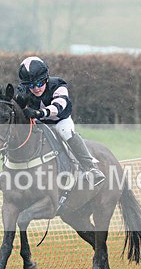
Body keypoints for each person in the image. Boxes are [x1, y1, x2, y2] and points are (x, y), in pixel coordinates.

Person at [16, 56, 105, 186]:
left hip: (59, 121)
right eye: (31, 85)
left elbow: (58, 106)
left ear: (47, 79)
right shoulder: (21, 91)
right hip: (38, 123)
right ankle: (6, 172)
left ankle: (90, 168)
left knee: (65, 131)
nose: (36, 88)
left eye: (40, 83)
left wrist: (39, 112)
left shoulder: (58, 85)